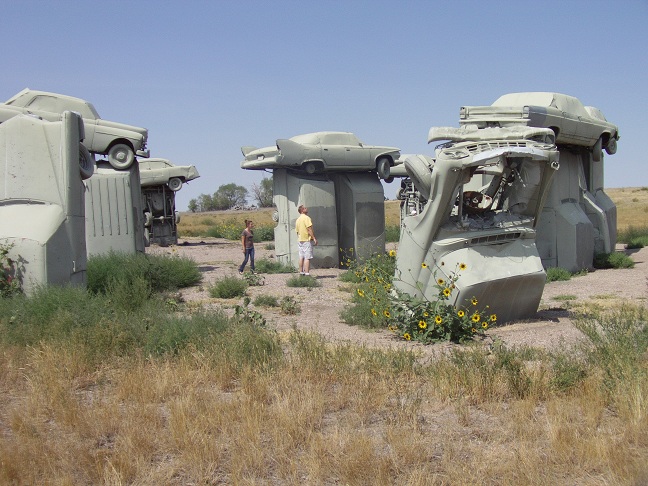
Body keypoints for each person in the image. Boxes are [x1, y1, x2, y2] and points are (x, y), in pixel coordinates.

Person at [295, 205, 317, 275]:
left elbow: (297, 231)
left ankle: (301, 273)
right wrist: (314, 238)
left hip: (300, 240)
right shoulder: (306, 218)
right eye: (305, 208)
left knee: (301, 257)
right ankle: (307, 274)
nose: (306, 208)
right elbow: (309, 229)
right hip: (306, 240)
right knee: (307, 257)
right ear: (302, 210)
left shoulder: (298, 219)